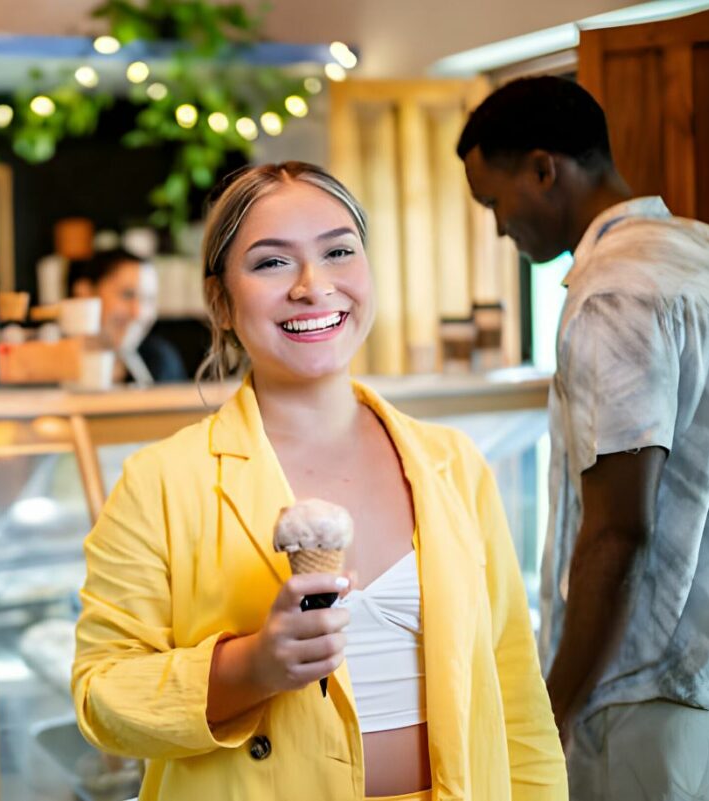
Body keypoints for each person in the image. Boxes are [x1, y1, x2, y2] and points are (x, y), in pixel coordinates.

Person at [71, 161, 565, 800]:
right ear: (221, 301)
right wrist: (251, 667)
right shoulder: (159, 482)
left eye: (338, 251)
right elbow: (100, 695)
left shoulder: (451, 463)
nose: (313, 285)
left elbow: (514, 691)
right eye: (272, 263)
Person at [458, 76, 709, 800]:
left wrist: (554, 704)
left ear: (545, 169)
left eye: (493, 202)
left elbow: (617, 532)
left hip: (643, 688)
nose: (500, 228)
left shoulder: (611, 294)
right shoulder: (700, 251)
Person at [68, 248, 187, 384]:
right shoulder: (45, 362)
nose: (138, 313)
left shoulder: (161, 361)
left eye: (148, 299)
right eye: (127, 295)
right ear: (85, 293)